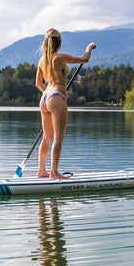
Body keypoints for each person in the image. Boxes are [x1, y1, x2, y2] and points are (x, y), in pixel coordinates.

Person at [35, 28, 94, 179]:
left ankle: (42, 171)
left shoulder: (42, 61)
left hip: (45, 98)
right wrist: (89, 48)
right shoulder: (60, 58)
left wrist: (48, 96)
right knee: (58, 138)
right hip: (56, 96)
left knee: (47, 138)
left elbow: (38, 84)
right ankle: (54, 172)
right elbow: (84, 59)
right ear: (59, 43)